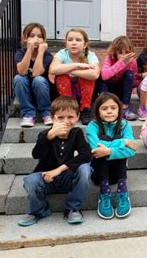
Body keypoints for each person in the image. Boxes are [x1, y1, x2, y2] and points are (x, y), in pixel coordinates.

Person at [18, 96, 92, 227]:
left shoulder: (76, 133)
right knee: (30, 180)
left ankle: (72, 208)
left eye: (70, 117)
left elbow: (86, 154)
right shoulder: (45, 134)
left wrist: (59, 170)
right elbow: (36, 154)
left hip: (67, 177)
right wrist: (50, 135)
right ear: (53, 118)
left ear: (77, 117)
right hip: (46, 178)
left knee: (85, 168)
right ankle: (39, 210)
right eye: (61, 117)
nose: (66, 121)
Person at [86, 93, 137, 219]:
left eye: (113, 108)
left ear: (119, 109)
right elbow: (95, 149)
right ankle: (104, 193)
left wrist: (109, 151)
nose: (109, 111)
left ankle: (122, 191)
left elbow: (132, 151)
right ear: (97, 110)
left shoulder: (124, 125)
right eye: (104, 108)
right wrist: (124, 142)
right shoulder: (92, 126)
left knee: (116, 136)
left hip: (117, 174)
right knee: (105, 137)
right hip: (98, 175)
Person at [49, 28, 100, 125]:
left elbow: (95, 74)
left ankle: (85, 109)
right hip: (65, 91)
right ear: (66, 43)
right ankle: (68, 108)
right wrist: (77, 65)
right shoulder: (62, 53)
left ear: (85, 45)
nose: (73, 43)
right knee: (61, 76)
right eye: (70, 40)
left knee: (87, 77)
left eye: (78, 40)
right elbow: (53, 69)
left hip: (84, 93)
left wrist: (71, 70)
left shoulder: (90, 55)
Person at [13, 22, 53, 128]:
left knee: (38, 79)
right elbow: (22, 71)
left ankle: (46, 113)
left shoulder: (47, 55)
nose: (36, 39)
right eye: (31, 36)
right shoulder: (20, 53)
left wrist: (40, 52)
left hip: (42, 91)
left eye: (39, 37)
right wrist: (29, 50)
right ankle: (28, 114)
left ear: (44, 40)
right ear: (25, 39)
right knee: (18, 78)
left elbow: (36, 73)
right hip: (25, 93)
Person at [100, 35, 138, 120]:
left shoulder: (133, 62)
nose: (124, 56)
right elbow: (104, 75)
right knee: (101, 76)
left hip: (121, 91)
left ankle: (125, 108)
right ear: (115, 52)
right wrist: (122, 62)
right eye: (121, 53)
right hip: (109, 90)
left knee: (129, 73)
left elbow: (133, 79)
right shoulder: (109, 58)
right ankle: (104, 105)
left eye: (127, 52)